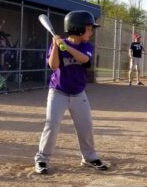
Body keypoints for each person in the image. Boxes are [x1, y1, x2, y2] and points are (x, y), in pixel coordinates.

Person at [33, 10, 109, 174]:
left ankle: (89, 157)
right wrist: (55, 45)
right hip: (58, 92)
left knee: (86, 126)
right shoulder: (58, 44)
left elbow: (84, 60)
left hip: (78, 94)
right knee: (51, 125)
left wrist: (66, 46)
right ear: (78, 28)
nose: (91, 31)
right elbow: (53, 66)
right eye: (89, 28)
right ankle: (42, 160)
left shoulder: (86, 46)